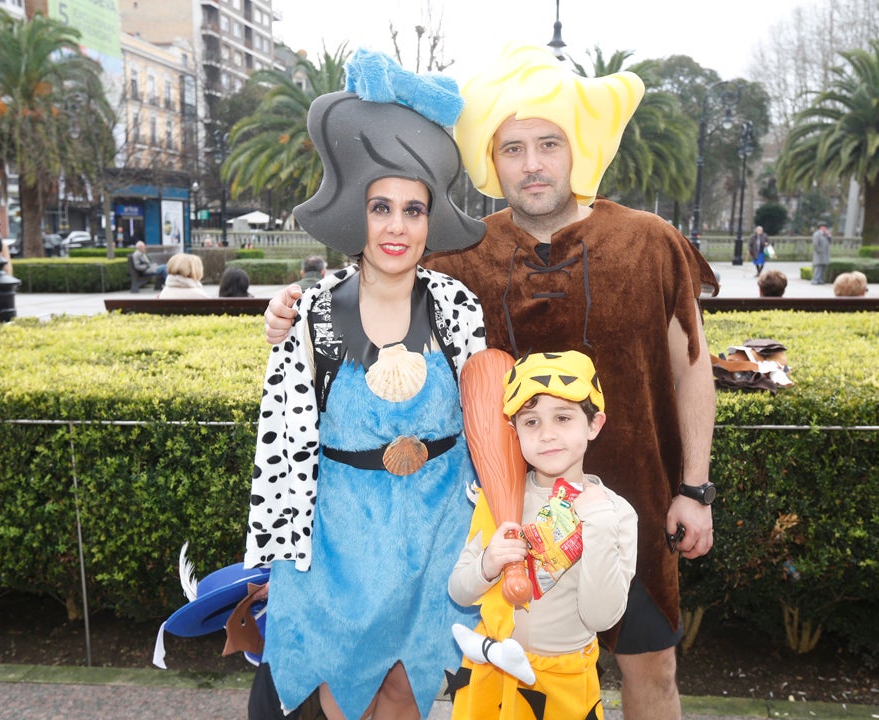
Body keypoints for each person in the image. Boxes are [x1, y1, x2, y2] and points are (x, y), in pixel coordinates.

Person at [264, 43, 718, 720]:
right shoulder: (463, 253)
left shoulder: (652, 242)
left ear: (577, 148)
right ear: (491, 160)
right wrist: (293, 306)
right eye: (513, 149)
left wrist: (695, 490)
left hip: (636, 505)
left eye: (548, 143)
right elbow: (379, 279)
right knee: (518, 685)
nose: (532, 164)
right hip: (513, 522)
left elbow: (693, 370)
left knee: (650, 673)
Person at [245, 50, 489, 720]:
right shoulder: (311, 312)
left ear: (430, 221)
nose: (397, 227)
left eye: (414, 210)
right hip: (339, 536)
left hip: (438, 529)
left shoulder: (458, 308)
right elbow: (283, 438)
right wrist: (275, 555)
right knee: (328, 686)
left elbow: (490, 424)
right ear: (360, 212)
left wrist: (502, 525)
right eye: (382, 207)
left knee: (405, 686)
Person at [449, 350, 637, 720]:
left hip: (561, 684)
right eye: (531, 421)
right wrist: (488, 563)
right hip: (493, 672)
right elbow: (458, 590)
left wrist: (597, 524)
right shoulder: (497, 497)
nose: (547, 434)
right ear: (513, 431)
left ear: (594, 424)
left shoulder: (616, 513)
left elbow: (601, 617)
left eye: (563, 417)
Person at [811, 220, 831, 285]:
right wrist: (819, 251)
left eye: (825, 227)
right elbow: (815, 244)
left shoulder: (825, 234)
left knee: (823, 268)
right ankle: (815, 280)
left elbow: (830, 241)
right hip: (819, 254)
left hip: (825, 254)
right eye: (824, 227)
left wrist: (829, 235)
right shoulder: (817, 234)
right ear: (820, 227)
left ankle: (820, 280)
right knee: (818, 268)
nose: (825, 228)